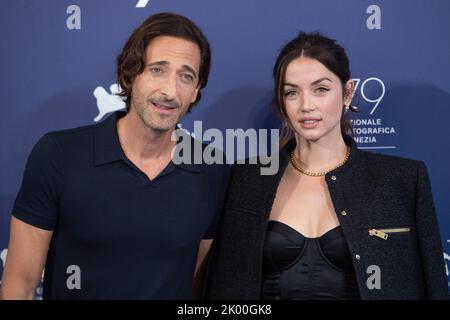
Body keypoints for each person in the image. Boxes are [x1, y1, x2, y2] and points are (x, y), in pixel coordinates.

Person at [1, 12, 229, 299]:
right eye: (157, 70)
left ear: (196, 91)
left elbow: (198, 280)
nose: (170, 91)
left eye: (186, 76)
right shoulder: (59, 154)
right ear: (130, 73)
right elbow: (19, 285)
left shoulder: (211, 168)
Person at [205, 32, 449, 299]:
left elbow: (432, 284)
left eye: (321, 89)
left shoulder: (403, 180)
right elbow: (224, 284)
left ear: (347, 92)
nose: (306, 105)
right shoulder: (247, 179)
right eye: (291, 92)